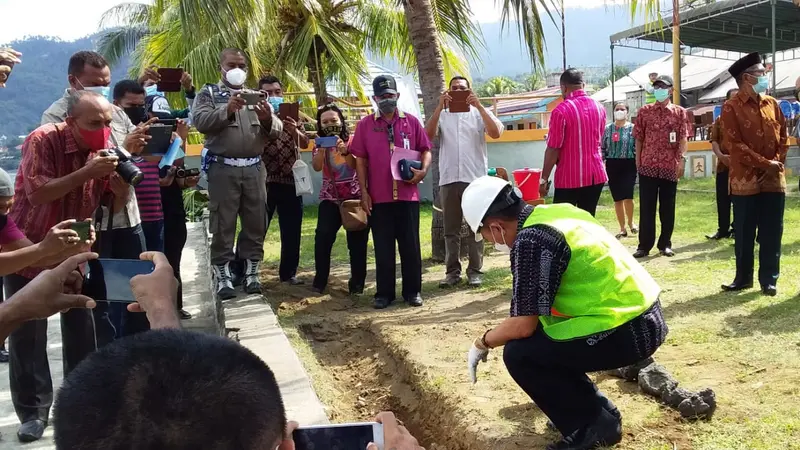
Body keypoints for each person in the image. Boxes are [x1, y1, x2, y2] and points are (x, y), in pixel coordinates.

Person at [462, 176, 667, 450]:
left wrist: (483, 341)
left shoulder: (532, 240)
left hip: (626, 327)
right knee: (545, 341)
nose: (490, 241)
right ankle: (599, 413)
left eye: (485, 235)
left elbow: (523, 325)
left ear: (496, 227)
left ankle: (593, 428)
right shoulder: (557, 212)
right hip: (644, 316)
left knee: (520, 354)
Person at [7, 91, 128, 442]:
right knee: (26, 331)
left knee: (82, 328)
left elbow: (112, 203)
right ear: (70, 121)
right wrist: (86, 171)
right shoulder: (42, 140)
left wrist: (119, 189)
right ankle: (33, 412)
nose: (103, 130)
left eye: (107, 123)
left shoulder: (105, 150)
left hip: (77, 249)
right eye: (94, 123)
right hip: (29, 248)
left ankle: (79, 406)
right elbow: (37, 192)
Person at [41, 51, 149, 266]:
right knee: (89, 291)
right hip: (85, 225)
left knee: (132, 287)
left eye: (106, 83)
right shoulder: (54, 118)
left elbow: (135, 156)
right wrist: (124, 150)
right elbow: (63, 174)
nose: (102, 89)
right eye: (95, 83)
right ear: (74, 80)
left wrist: (141, 145)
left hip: (127, 215)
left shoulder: (115, 112)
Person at [193, 48, 282, 298]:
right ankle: (223, 274)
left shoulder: (256, 95)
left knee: (256, 221)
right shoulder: (209, 94)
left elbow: (276, 130)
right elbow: (200, 122)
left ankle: (252, 271)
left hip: (254, 168)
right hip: (223, 167)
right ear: (221, 67)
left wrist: (267, 119)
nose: (237, 70)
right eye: (232, 64)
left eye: (242, 65)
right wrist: (227, 110)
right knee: (223, 223)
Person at [351, 75, 433, 309]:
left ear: (397, 96)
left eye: (390, 95)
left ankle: (412, 292)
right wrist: (364, 193)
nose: (386, 100)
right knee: (383, 247)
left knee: (410, 246)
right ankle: (384, 293)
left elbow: (425, 149)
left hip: (408, 196)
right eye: (382, 96)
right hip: (380, 197)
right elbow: (360, 160)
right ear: (374, 98)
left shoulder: (411, 122)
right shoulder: (365, 125)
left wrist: (423, 171)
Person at [719, 52, 787, 297]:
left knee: (771, 230)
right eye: (761, 73)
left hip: (773, 179)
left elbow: (783, 137)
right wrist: (763, 163)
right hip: (744, 179)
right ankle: (743, 277)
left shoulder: (773, 104)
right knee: (745, 231)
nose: (764, 76)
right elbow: (735, 145)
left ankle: (769, 279)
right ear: (747, 78)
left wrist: (775, 163)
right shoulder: (730, 107)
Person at [425, 76, 503, 288]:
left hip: (475, 179)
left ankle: (475, 271)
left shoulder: (479, 113)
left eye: (462, 88)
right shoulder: (442, 115)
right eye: (454, 88)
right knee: (450, 230)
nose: (458, 91)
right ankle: (452, 273)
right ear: (448, 92)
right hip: (449, 178)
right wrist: (439, 107)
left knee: (475, 228)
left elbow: (496, 133)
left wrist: (479, 106)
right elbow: (428, 137)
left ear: (469, 91)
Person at [310, 104, 369, 294]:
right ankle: (320, 282)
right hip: (330, 197)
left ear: (341, 121)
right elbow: (317, 167)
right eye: (325, 122)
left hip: (355, 197)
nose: (330, 124)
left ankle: (357, 285)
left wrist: (345, 150)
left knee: (357, 243)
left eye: (333, 120)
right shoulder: (320, 143)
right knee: (323, 238)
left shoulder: (353, 141)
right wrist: (320, 149)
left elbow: (355, 165)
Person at [632, 75, 688, 259]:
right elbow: (639, 137)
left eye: (662, 86)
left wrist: (682, 160)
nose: (659, 90)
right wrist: (638, 161)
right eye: (656, 87)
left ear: (671, 89)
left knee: (667, 207)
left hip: (669, 166)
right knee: (647, 207)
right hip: (648, 165)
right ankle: (644, 245)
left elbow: (682, 138)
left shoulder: (679, 112)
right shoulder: (644, 111)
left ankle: (665, 244)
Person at [260, 75, 309, 285]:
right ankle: (244, 270)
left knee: (292, 230)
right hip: (264, 182)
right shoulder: (255, 117)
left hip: (291, 181)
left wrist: (294, 130)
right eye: (268, 93)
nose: (274, 96)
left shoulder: (294, 116)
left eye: (277, 92)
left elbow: (305, 143)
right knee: (256, 229)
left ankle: (288, 274)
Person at [540, 69, 607, 217]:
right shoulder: (599, 107)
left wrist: (543, 179)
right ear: (583, 85)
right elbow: (598, 138)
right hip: (596, 175)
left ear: (563, 87)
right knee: (587, 221)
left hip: (569, 178)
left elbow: (553, 149)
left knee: (563, 224)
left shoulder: (561, 111)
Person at [601, 102, 638, 239]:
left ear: (627, 112)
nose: (620, 111)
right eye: (617, 109)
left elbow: (637, 145)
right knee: (618, 198)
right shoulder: (608, 129)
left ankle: (631, 222)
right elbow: (602, 147)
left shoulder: (633, 129)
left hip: (629, 163)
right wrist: (603, 162)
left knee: (628, 195)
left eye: (622, 109)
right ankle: (622, 228)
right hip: (613, 164)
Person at [706, 88, 739, 240]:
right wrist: (721, 155)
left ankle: (737, 228)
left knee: (740, 200)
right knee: (722, 199)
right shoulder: (720, 120)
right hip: (723, 165)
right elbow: (715, 141)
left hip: (742, 166)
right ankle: (723, 229)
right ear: (726, 102)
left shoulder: (746, 120)